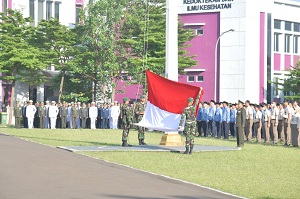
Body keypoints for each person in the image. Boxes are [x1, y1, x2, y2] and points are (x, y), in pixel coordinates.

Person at [178, 88, 202, 154]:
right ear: (191, 102)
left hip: (188, 123)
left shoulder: (185, 109)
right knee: (192, 136)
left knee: (188, 136)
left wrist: (180, 125)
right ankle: (191, 150)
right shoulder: (194, 107)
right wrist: (199, 92)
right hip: (193, 123)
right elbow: (197, 100)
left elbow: (182, 118)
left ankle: (187, 150)